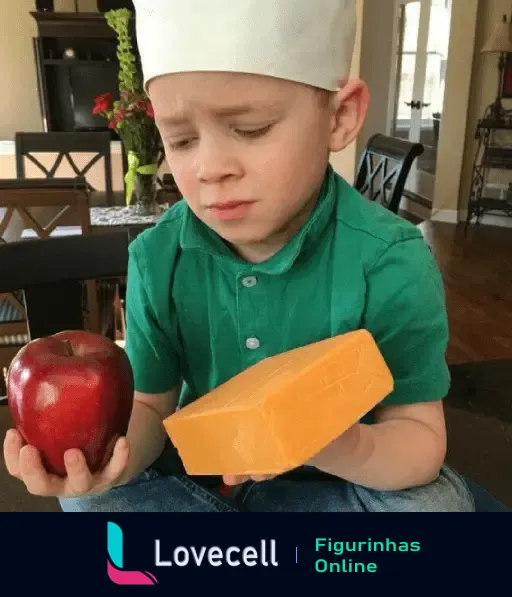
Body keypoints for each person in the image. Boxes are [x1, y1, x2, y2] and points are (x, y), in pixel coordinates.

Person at [3, 0, 475, 512]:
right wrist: (101, 467)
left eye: (249, 129)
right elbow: (151, 408)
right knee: (90, 504)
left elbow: (419, 438)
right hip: (201, 481)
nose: (210, 168)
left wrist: (342, 445)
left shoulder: (391, 262)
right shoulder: (158, 257)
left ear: (340, 117)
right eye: (181, 140)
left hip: (334, 483)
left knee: (436, 507)